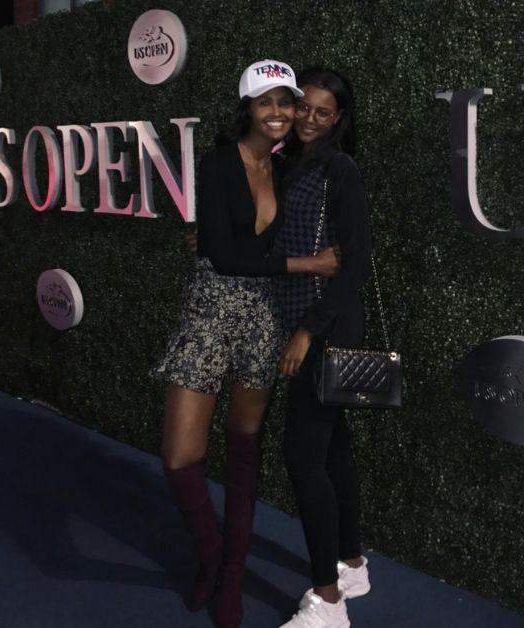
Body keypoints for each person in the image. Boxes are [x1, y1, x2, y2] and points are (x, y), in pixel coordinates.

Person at [151, 59, 339, 628]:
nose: (280, 113)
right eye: (268, 103)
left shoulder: (286, 170)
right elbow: (223, 254)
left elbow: (254, 245)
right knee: (180, 456)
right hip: (210, 307)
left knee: (244, 447)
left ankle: (231, 575)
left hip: (264, 315)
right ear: (248, 109)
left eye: (287, 101)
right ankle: (211, 550)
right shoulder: (216, 162)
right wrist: (310, 263)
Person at [275, 67, 373, 628]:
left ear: (338, 119)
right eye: (302, 107)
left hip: (325, 327)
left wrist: (307, 330)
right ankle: (353, 565)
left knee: (303, 457)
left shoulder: (340, 169)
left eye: (322, 111)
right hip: (304, 323)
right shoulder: (290, 164)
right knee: (333, 449)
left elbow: (354, 263)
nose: (309, 118)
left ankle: (329, 602)